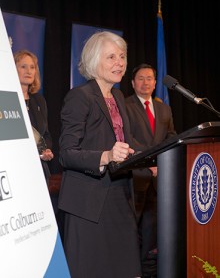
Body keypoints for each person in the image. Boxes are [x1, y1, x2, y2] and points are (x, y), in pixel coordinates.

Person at [58, 31, 145, 278]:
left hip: (119, 195)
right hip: (88, 203)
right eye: (111, 57)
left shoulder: (118, 96)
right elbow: (67, 153)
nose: (119, 63)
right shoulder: (80, 97)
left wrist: (157, 155)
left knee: (125, 268)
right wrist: (106, 156)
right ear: (95, 61)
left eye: (122, 56)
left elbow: (126, 142)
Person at [126, 63, 176, 278]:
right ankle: (129, 268)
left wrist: (163, 163)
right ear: (132, 83)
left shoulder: (164, 108)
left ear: (155, 83)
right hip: (135, 176)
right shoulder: (125, 105)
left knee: (151, 230)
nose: (146, 82)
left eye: (150, 79)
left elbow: (171, 136)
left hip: (159, 179)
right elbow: (128, 138)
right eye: (141, 78)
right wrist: (150, 161)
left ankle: (147, 270)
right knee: (130, 227)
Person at [14, 50, 54, 185]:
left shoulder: (39, 100)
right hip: (16, 168)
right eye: (23, 66)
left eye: (32, 67)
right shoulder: (6, 99)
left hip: (39, 170)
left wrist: (45, 150)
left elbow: (46, 135)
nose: (29, 71)